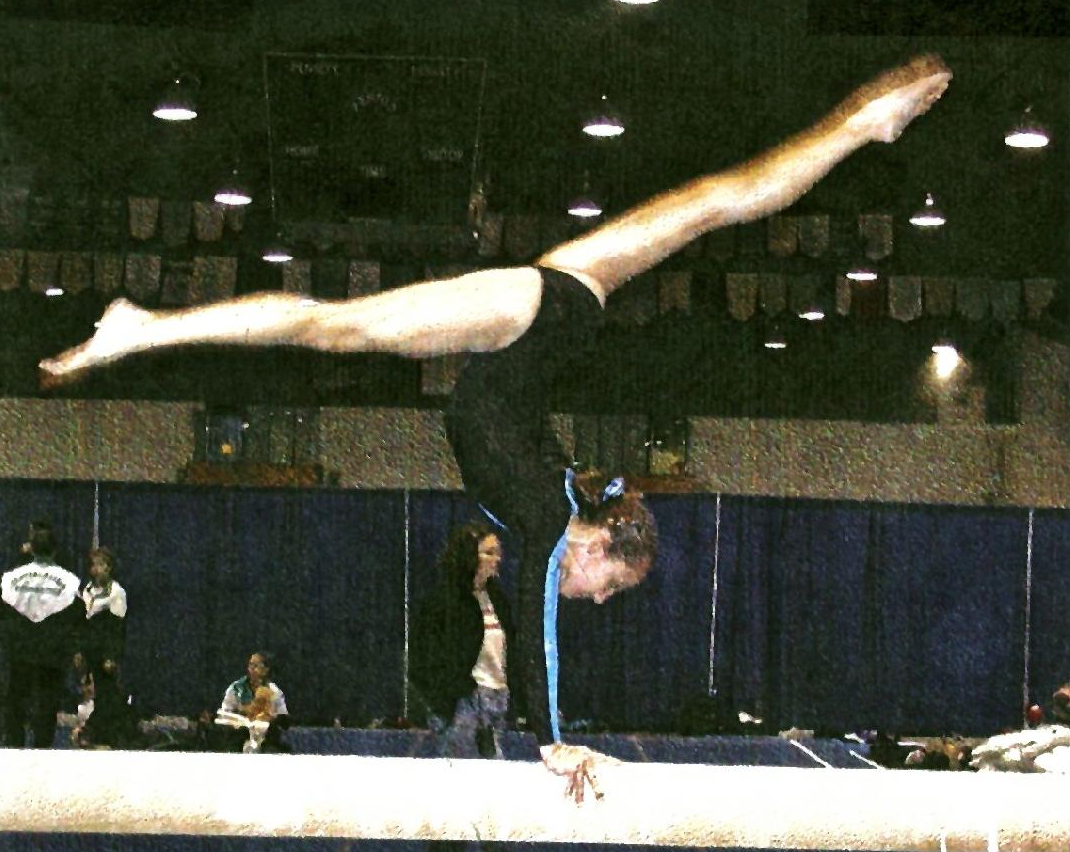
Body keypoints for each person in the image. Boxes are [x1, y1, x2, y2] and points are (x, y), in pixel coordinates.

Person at [39, 55, 952, 796]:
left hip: (568, 300)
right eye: (608, 584)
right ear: (597, 544)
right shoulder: (554, 520)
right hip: (531, 316)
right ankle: (144, 328)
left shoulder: (555, 495)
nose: (596, 600)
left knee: (718, 201)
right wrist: (550, 739)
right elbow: (537, 635)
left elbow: (558, 545)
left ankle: (861, 124)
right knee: (335, 326)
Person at [410, 523, 514, 759]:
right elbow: (423, 657)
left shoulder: (497, 599)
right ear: (470, 556)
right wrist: (448, 697)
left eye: (498, 552)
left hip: (498, 698)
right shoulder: (444, 601)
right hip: (465, 702)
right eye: (489, 553)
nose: (497, 559)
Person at [0, 524, 82, 747]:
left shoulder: (11, 577)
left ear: (32, 548)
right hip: (52, 649)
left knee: (16, 698)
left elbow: (4, 609)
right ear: (54, 551)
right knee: (47, 701)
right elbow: (77, 615)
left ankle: (14, 744)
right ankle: (42, 746)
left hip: (20, 647)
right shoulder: (69, 581)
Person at [218, 651, 290, 753]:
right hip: (239, 736)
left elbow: (284, 722)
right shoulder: (235, 688)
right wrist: (245, 713)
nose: (251, 669)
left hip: (266, 738)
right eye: (250, 665)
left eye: (256, 666)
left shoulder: (274, 691)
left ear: (266, 670)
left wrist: (271, 717)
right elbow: (225, 714)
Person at [78, 546, 128, 678]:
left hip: (104, 653)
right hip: (88, 649)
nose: (96, 569)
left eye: (100, 564)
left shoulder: (116, 592)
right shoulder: (87, 590)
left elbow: (117, 628)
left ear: (109, 567)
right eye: (93, 565)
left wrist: (111, 657)